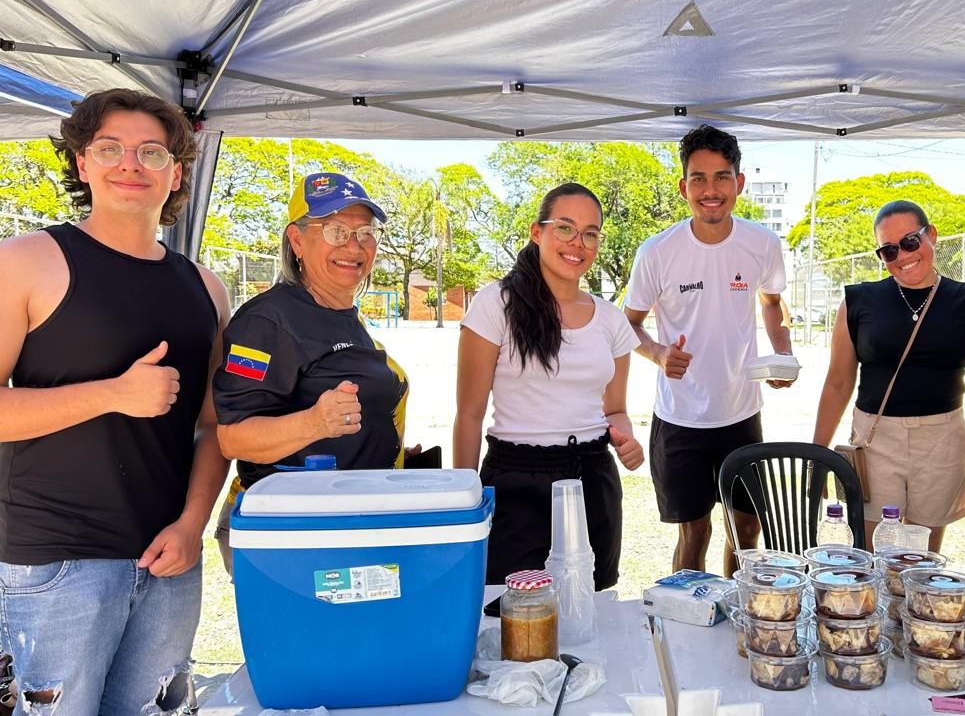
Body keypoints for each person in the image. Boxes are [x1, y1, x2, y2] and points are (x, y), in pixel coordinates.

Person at [0, 88, 230, 713]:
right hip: (56, 560)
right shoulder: (27, 262)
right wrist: (113, 394)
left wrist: (192, 524)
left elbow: (214, 429)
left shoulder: (206, 287)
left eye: (151, 152)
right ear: (82, 162)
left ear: (177, 172)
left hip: (167, 559)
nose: (130, 164)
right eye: (110, 148)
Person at [213, 172, 414, 572]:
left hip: (346, 520)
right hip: (291, 531)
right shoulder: (268, 322)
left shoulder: (341, 314)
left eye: (365, 232)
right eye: (337, 231)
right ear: (297, 240)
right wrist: (313, 423)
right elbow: (233, 438)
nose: (354, 245)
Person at [454, 183, 643, 590]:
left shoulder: (611, 321)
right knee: (512, 618)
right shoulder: (495, 305)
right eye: (565, 228)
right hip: (517, 481)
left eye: (590, 233)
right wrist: (463, 502)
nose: (578, 243)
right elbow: (469, 414)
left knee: (591, 609)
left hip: (592, 479)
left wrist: (626, 439)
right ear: (537, 232)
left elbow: (615, 410)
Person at [623, 125, 794, 576]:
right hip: (680, 419)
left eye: (721, 177)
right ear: (683, 187)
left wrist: (783, 356)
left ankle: (738, 620)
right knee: (694, 533)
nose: (710, 190)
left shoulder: (763, 244)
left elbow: (772, 303)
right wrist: (660, 353)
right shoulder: (657, 252)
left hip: (741, 415)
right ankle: (692, 624)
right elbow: (628, 327)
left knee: (747, 530)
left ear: (739, 183)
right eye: (698, 178)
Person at [812, 200, 965, 552]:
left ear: (931, 236)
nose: (902, 255)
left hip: (942, 440)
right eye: (888, 250)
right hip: (875, 438)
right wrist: (817, 453)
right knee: (870, 555)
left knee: (921, 561)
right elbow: (838, 382)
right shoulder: (859, 301)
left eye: (911, 241)